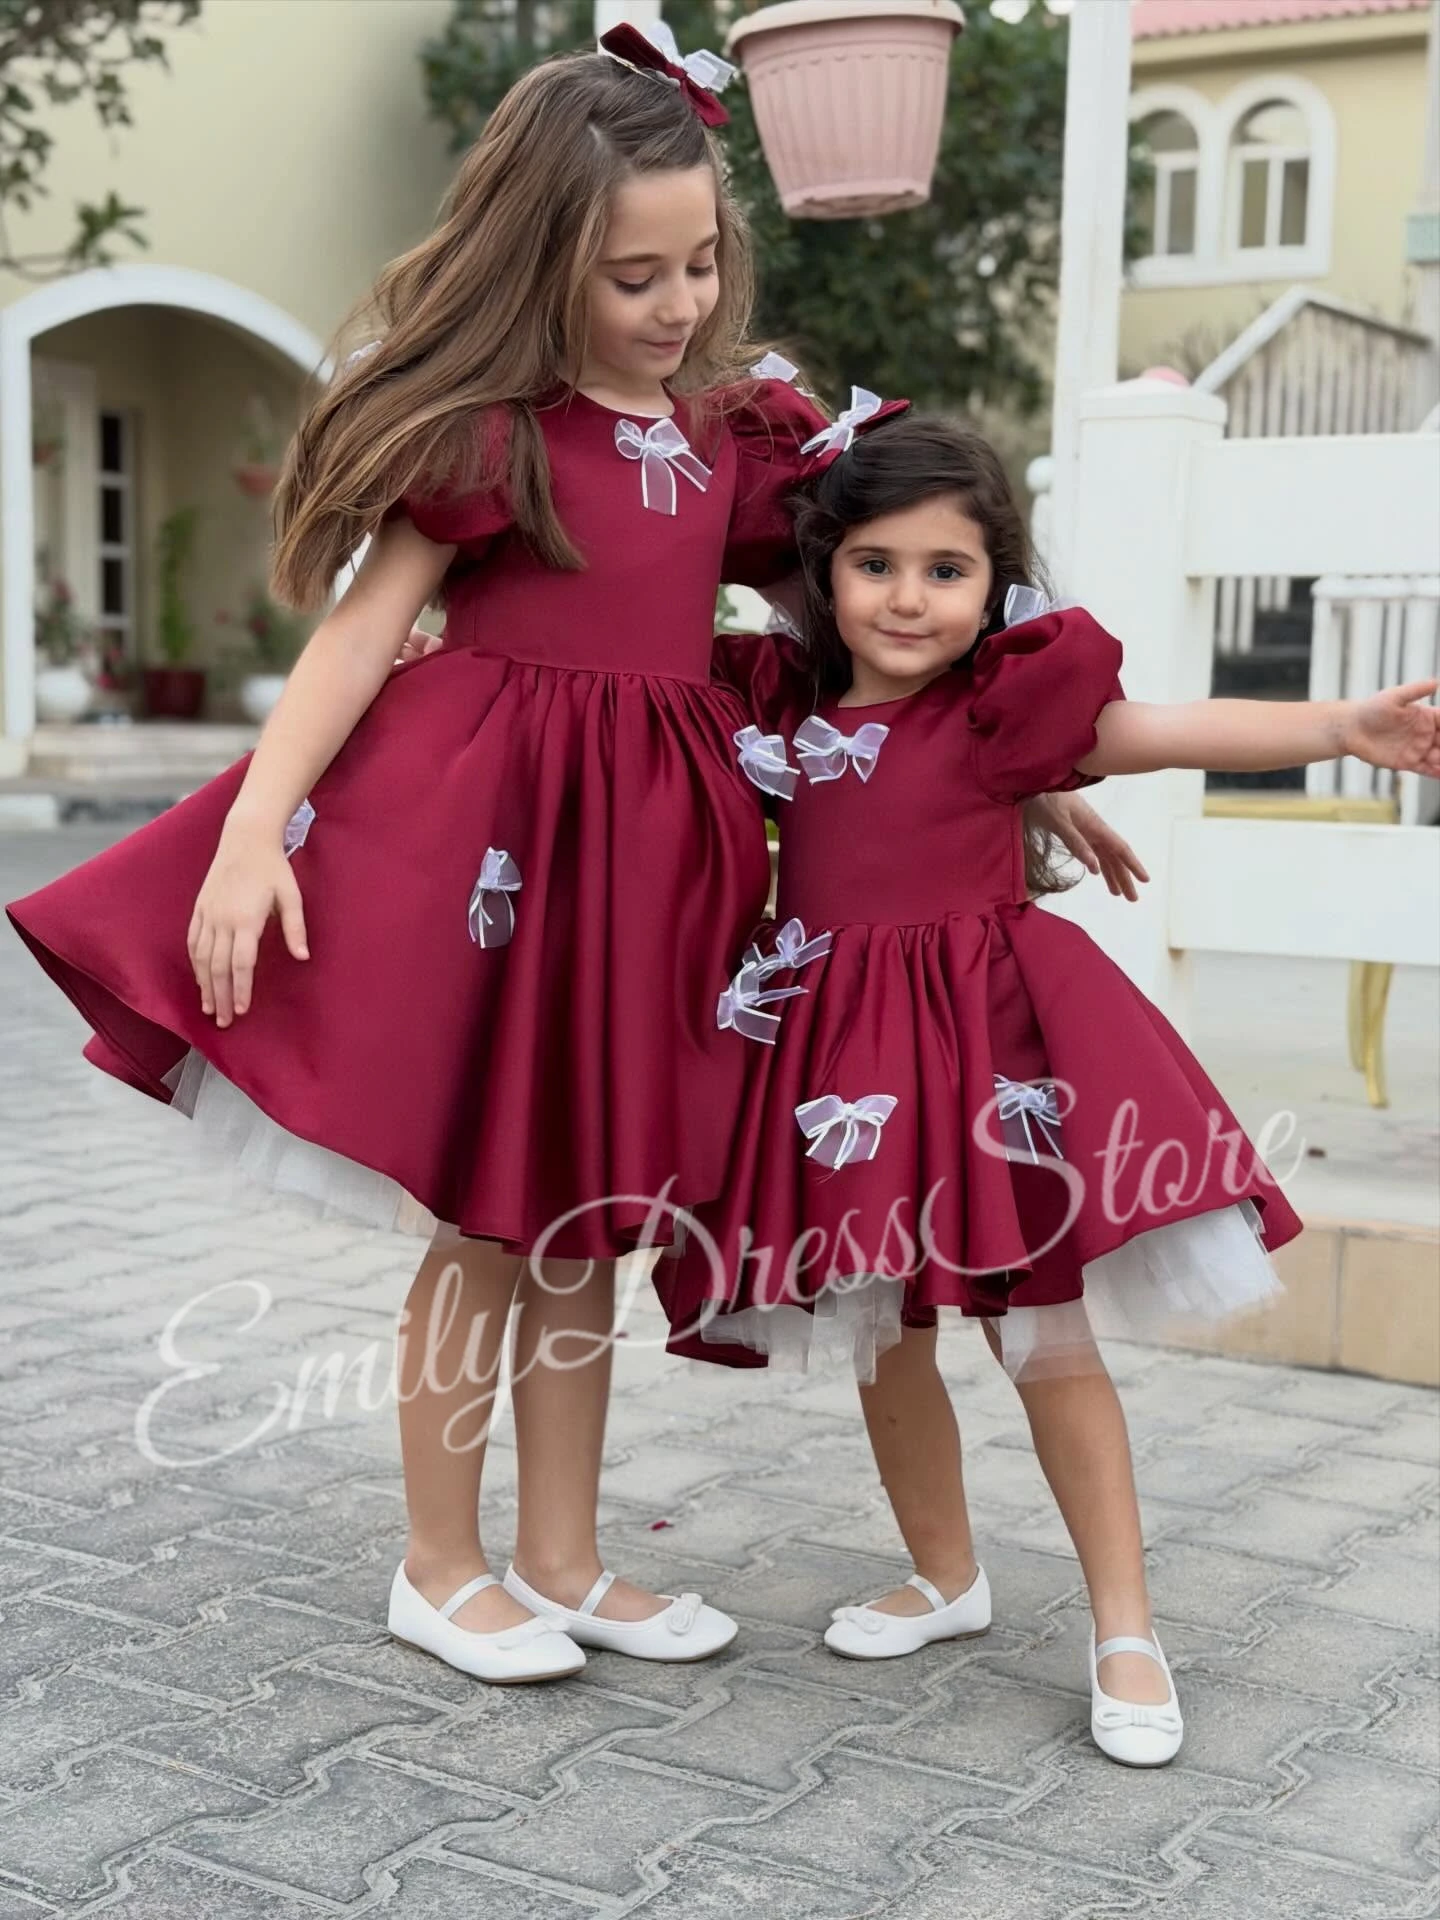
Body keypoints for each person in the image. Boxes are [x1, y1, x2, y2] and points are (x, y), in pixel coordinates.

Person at [655, 408, 1440, 1764]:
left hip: (985, 1055)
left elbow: (1161, 727)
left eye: (946, 571)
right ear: (826, 571)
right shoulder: (783, 707)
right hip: (837, 1057)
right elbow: (654, 611)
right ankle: (945, 1573)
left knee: (1043, 1339)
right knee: (880, 1331)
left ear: (996, 584)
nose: (909, 597)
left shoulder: (1002, 717)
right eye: (877, 565)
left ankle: (1124, 1624)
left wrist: (1340, 721)